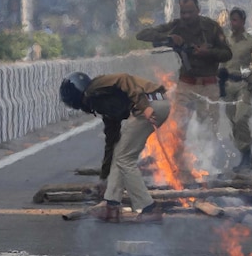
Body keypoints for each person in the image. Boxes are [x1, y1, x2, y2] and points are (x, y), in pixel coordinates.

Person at [136, 0, 232, 169]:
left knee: (208, 130)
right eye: (183, 12)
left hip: (208, 85)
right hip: (186, 85)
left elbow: (227, 53)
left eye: (190, 12)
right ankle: (178, 167)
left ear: (198, 10)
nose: (186, 16)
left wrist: (207, 53)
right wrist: (170, 39)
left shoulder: (211, 28)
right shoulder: (176, 26)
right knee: (178, 129)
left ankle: (206, 169)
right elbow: (142, 34)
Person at [59, 72, 170, 223]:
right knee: (120, 152)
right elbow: (111, 143)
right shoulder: (104, 105)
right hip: (156, 104)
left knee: (125, 158)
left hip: (150, 103)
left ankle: (149, 209)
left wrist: (144, 106)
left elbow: (124, 79)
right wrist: (104, 178)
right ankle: (111, 206)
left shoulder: (94, 87)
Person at [219, 7, 252, 172]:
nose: (233, 23)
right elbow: (222, 62)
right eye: (231, 20)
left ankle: (246, 154)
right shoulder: (226, 42)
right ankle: (245, 156)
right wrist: (219, 82)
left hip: (244, 85)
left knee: (241, 118)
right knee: (233, 123)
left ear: (243, 21)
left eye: (236, 20)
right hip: (228, 85)